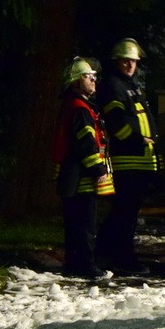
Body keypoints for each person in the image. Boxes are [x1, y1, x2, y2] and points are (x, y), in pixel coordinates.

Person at [96, 38, 158, 275]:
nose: (131, 65)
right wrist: (136, 139)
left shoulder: (129, 84)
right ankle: (121, 257)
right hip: (127, 160)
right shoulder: (113, 85)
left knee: (127, 213)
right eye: (126, 61)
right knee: (124, 213)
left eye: (134, 61)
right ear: (117, 62)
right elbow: (116, 122)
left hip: (139, 160)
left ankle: (110, 254)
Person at [53, 58, 114, 280]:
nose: (94, 80)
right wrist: (99, 171)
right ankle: (86, 267)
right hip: (82, 178)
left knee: (75, 224)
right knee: (85, 224)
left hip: (74, 177)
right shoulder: (80, 109)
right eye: (89, 77)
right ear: (78, 82)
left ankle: (74, 265)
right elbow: (86, 144)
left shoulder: (74, 106)